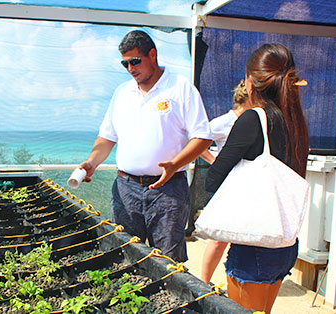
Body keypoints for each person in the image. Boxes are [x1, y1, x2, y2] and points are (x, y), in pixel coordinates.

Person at [77, 30, 212, 262]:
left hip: (168, 190)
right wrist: (92, 162)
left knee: (168, 262)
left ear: (153, 54)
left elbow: (202, 137)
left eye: (135, 61)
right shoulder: (122, 92)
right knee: (124, 257)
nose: (131, 68)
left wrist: (175, 164)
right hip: (126, 189)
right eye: (125, 63)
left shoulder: (181, 88)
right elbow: (107, 137)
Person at [205, 43, 309, 314]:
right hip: (285, 242)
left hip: (254, 244)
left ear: (251, 82)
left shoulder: (254, 119)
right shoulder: (295, 121)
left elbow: (213, 180)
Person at [200, 80, 251, 284]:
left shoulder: (255, 121)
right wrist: (214, 161)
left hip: (246, 184)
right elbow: (198, 141)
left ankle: (238, 280)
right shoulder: (224, 122)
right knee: (220, 238)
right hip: (225, 185)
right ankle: (203, 282)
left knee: (243, 235)